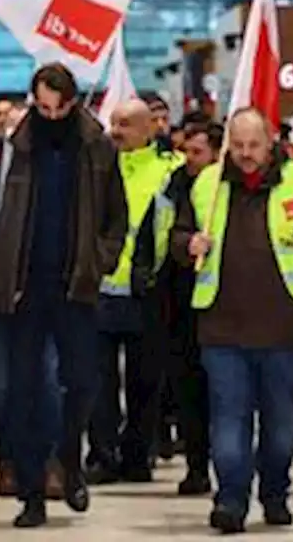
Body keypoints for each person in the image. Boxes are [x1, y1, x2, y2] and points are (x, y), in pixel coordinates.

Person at [170, 108, 293, 533]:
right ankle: (229, 499)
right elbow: (176, 237)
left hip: (284, 326)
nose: (246, 155)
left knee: (280, 423)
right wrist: (187, 243)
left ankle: (275, 493)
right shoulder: (206, 185)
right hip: (221, 327)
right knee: (228, 418)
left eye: (255, 146)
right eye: (239, 145)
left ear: (270, 144)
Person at [0, 63, 129, 528]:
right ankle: (33, 492)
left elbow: (115, 216)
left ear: (73, 102)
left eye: (59, 107)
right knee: (24, 392)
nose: (51, 115)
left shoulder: (96, 146)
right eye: (43, 107)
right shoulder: (7, 150)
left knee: (82, 382)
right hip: (22, 286)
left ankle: (70, 459)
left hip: (76, 284)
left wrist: (101, 259)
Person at [86, 99, 179, 484]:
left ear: (149, 129)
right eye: (113, 123)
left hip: (148, 291)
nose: (116, 131)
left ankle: (139, 454)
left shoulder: (168, 173)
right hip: (101, 287)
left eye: (125, 124)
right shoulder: (97, 169)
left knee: (146, 381)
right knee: (97, 382)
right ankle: (102, 454)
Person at [132, 120, 222, 496]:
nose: (189, 159)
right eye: (186, 150)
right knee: (187, 389)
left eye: (198, 152)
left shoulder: (224, 191)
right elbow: (152, 233)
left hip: (220, 305)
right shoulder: (172, 188)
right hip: (176, 304)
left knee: (222, 392)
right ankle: (197, 465)